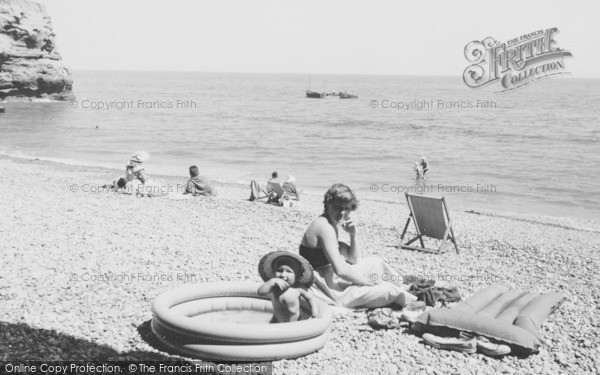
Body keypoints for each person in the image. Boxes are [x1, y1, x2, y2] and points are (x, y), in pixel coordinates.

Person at [299, 183, 417, 308]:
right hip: (328, 288)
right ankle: (414, 301)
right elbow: (340, 271)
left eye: (346, 209)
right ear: (328, 205)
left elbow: (353, 259)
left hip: (331, 277)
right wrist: (367, 282)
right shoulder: (325, 228)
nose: (342, 213)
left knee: (376, 262)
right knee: (389, 290)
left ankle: (406, 288)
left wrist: (353, 235)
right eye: (337, 207)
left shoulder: (329, 223)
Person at [258, 251, 320, 323]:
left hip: (294, 322)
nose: (283, 275)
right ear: (273, 272)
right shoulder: (274, 287)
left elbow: (310, 298)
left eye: (289, 271)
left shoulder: (298, 289)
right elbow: (260, 292)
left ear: (297, 276)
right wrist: (271, 282)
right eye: (279, 270)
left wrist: (314, 312)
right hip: (276, 319)